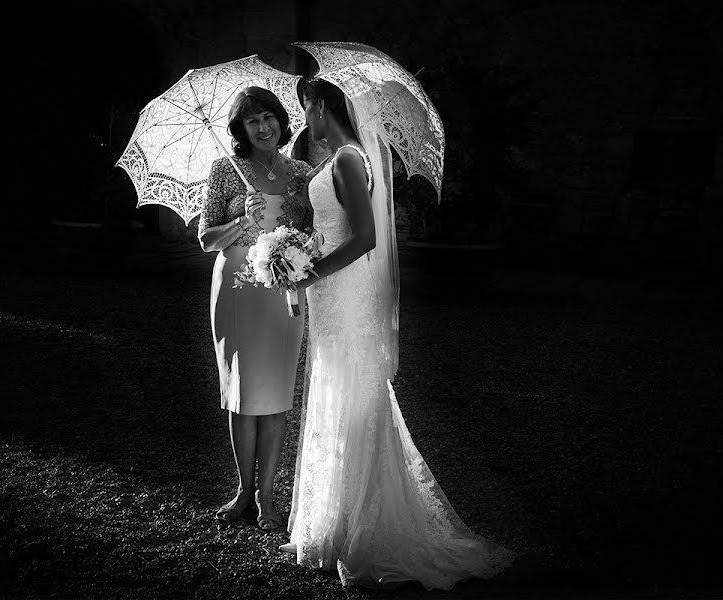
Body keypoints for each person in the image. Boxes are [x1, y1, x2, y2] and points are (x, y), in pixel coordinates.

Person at [281, 78, 514, 589]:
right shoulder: (345, 156)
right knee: (337, 397)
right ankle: (336, 524)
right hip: (334, 297)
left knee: (353, 399)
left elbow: (364, 238)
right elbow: (338, 228)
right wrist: (294, 250)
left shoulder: (346, 159)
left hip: (341, 296)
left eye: (305, 110)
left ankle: (364, 529)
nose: (304, 121)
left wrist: (308, 271)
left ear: (320, 107)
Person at [198, 86, 313, 530]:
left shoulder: (302, 173)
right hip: (237, 290)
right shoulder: (225, 171)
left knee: (277, 397)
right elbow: (207, 239)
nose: (263, 127)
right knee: (243, 397)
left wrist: (296, 246)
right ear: (240, 129)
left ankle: (268, 497)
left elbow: (313, 234)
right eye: (252, 121)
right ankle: (244, 490)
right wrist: (241, 220)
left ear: (282, 122)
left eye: (268, 118)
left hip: (284, 291)